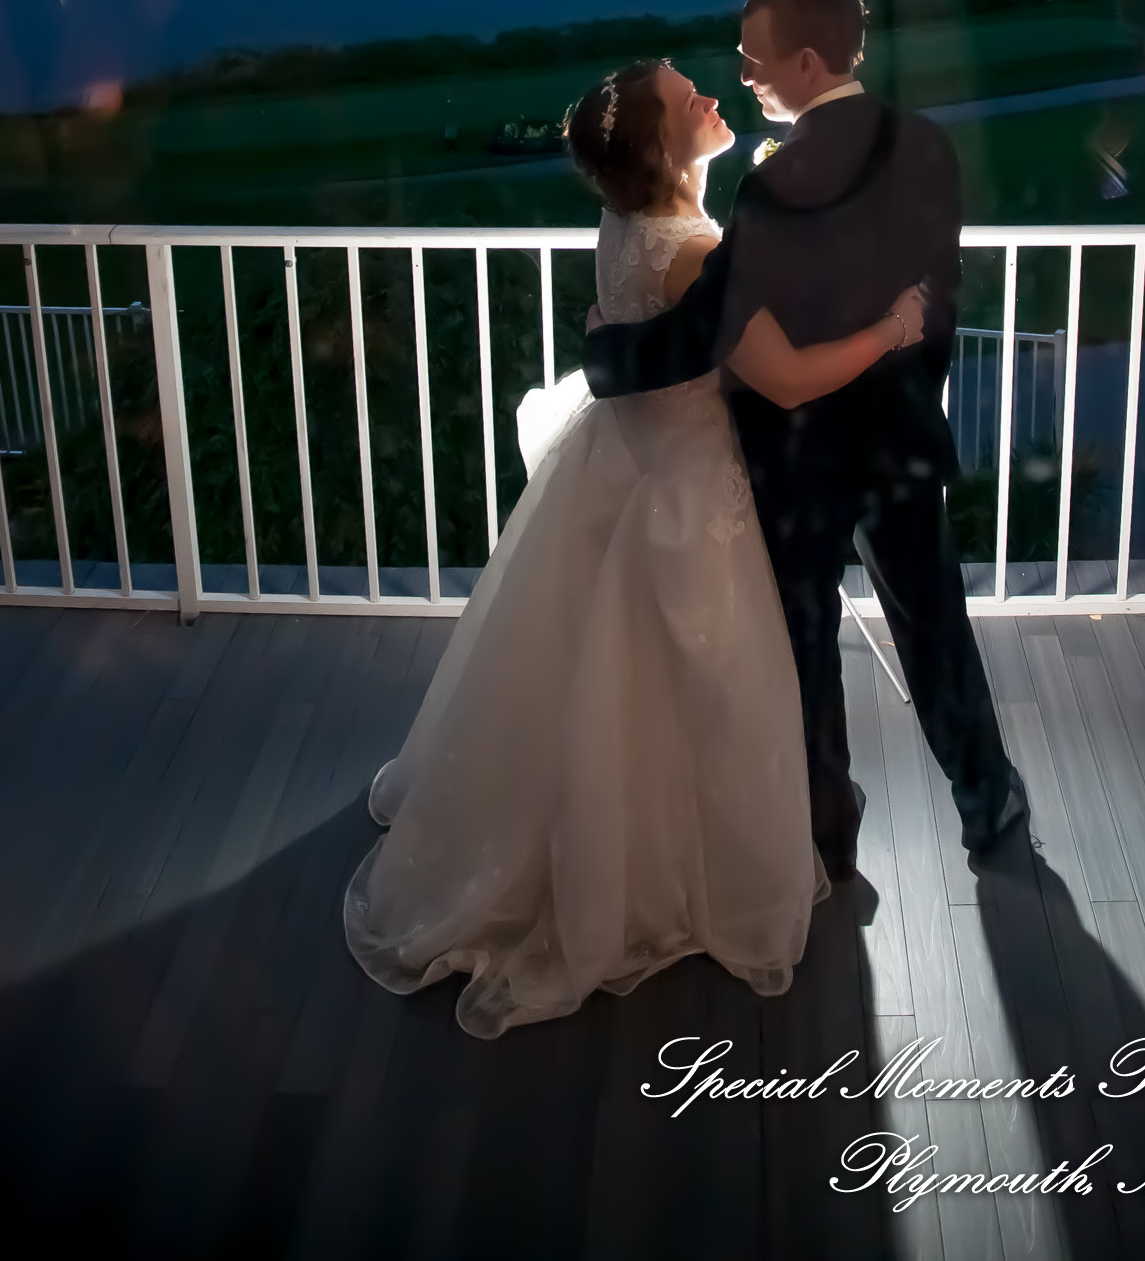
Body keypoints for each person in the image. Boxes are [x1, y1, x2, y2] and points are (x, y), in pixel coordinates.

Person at [344, 56, 924, 1039]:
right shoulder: (694, 248)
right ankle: (670, 874)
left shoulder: (630, 222)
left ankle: (579, 833)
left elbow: (639, 342)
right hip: (686, 493)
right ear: (663, 146)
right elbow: (780, 378)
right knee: (701, 687)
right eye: (690, 97)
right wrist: (891, 327)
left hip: (616, 469)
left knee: (585, 674)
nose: (711, 96)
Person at [583, 0, 1027, 878]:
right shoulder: (926, 146)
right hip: (901, 443)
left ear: (807, 60)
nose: (743, 73)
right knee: (936, 628)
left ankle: (827, 841)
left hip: (797, 460)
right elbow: (938, 299)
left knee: (807, 650)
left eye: (753, 59)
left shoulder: (775, 183)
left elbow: (708, 330)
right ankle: (988, 804)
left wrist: (606, 362)